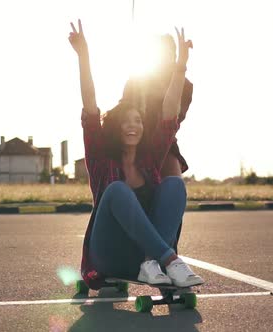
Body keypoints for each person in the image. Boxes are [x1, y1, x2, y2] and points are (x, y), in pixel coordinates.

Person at [68, 19, 203, 289]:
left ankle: (154, 259)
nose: (134, 125)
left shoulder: (149, 160)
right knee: (117, 190)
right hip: (107, 255)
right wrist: (83, 56)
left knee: (175, 184)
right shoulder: (100, 158)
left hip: (142, 262)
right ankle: (170, 259)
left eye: (138, 121)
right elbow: (90, 101)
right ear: (115, 126)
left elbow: (169, 113)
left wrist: (180, 66)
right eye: (127, 121)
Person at [121, 34, 194, 178]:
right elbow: (122, 112)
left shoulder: (185, 85)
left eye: (168, 53)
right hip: (133, 141)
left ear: (174, 56)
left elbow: (175, 119)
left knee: (174, 181)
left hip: (165, 143)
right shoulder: (136, 80)